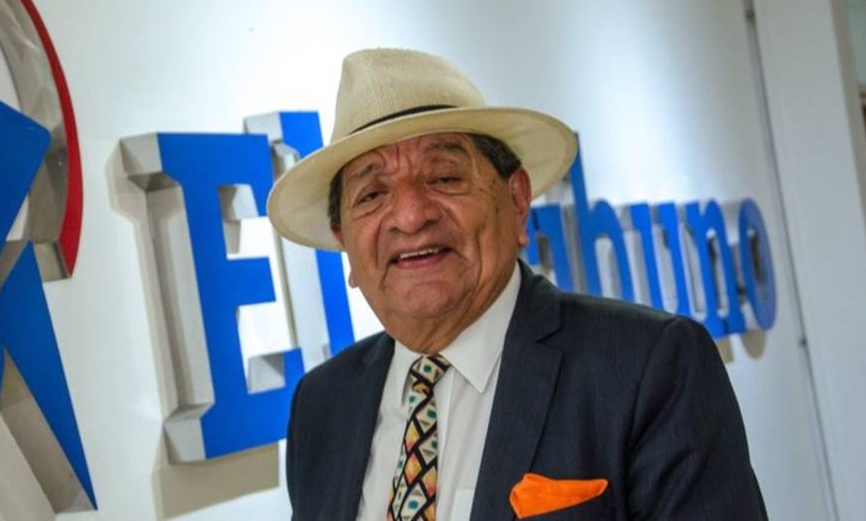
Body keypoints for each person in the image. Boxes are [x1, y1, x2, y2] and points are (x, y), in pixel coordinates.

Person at [267, 49, 768, 520]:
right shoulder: (322, 404)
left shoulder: (648, 366)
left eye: (444, 177)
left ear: (517, 200)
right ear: (345, 242)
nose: (411, 215)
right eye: (372, 194)